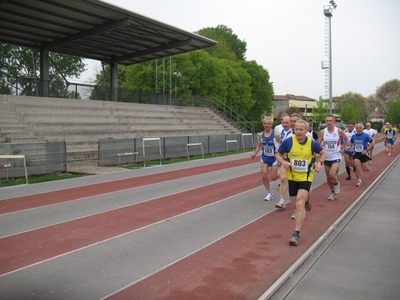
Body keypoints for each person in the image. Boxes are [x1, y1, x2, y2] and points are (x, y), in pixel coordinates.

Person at [276, 119, 326, 246]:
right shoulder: (288, 142)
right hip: (292, 176)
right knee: (294, 204)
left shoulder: (311, 143)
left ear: (306, 130)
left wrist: (320, 162)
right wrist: (283, 162)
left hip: (306, 177)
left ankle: (296, 233)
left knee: (299, 203)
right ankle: (306, 200)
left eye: (301, 129)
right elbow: (278, 154)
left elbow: (323, 152)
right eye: (296, 129)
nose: (298, 132)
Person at [317, 114, 348, 201]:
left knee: (332, 174)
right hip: (327, 157)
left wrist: (342, 147)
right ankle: (332, 191)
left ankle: (337, 183)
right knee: (328, 177)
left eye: (331, 121)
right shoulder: (323, 132)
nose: (329, 122)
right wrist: (317, 149)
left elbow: (346, 139)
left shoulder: (339, 131)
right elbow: (318, 142)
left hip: (336, 156)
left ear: (334, 122)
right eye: (327, 121)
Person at [251, 117, 279, 200]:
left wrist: (278, 152)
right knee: (264, 175)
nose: (267, 125)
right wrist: (255, 153)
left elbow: (281, 144)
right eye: (265, 123)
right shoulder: (261, 134)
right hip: (265, 157)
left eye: (268, 124)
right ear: (263, 124)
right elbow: (260, 145)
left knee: (274, 178)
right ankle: (269, 193)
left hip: (274, 158)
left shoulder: (275, 134)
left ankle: (280, 172)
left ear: (271, 124)